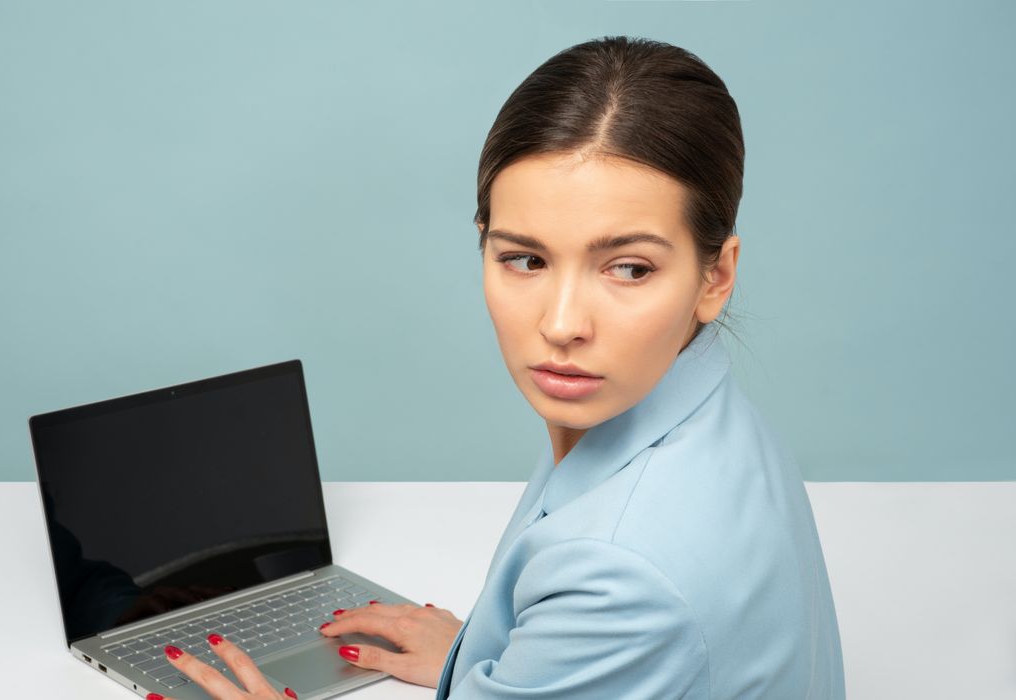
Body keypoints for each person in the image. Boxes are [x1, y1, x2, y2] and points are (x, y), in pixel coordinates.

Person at [146, 34, 845, 700]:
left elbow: (628, 582)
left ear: (714, 277)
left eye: (628, 268)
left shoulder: (618, 575)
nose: (562, 324)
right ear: (483, 244)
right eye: (525, 259)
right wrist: (486, 655)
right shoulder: (698, 409)